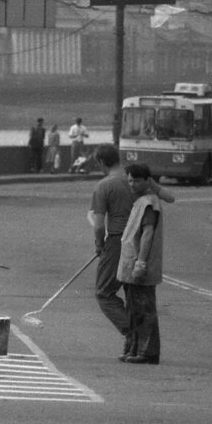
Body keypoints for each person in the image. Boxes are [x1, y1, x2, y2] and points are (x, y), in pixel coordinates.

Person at [118, 163, 176, 364]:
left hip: (139, 265)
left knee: (144, 309)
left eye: (136, 180)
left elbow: (147, 234)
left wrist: (140, 263)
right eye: (130, 180)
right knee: (133, 310)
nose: (132, 184)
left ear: (146, 181)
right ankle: (134, 349)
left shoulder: (150, 203)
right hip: (130, 265)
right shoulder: (141, 201)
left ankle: (147, 352)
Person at [86, 144, 135, 357]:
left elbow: (98, 225)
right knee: (132, 291)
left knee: (104, 293)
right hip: (139, 239)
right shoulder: (134, 180)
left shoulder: (104, 186)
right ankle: (134, 344)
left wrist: (99, 244)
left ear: (101, 162)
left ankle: (133, 333)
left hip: (117, 240)